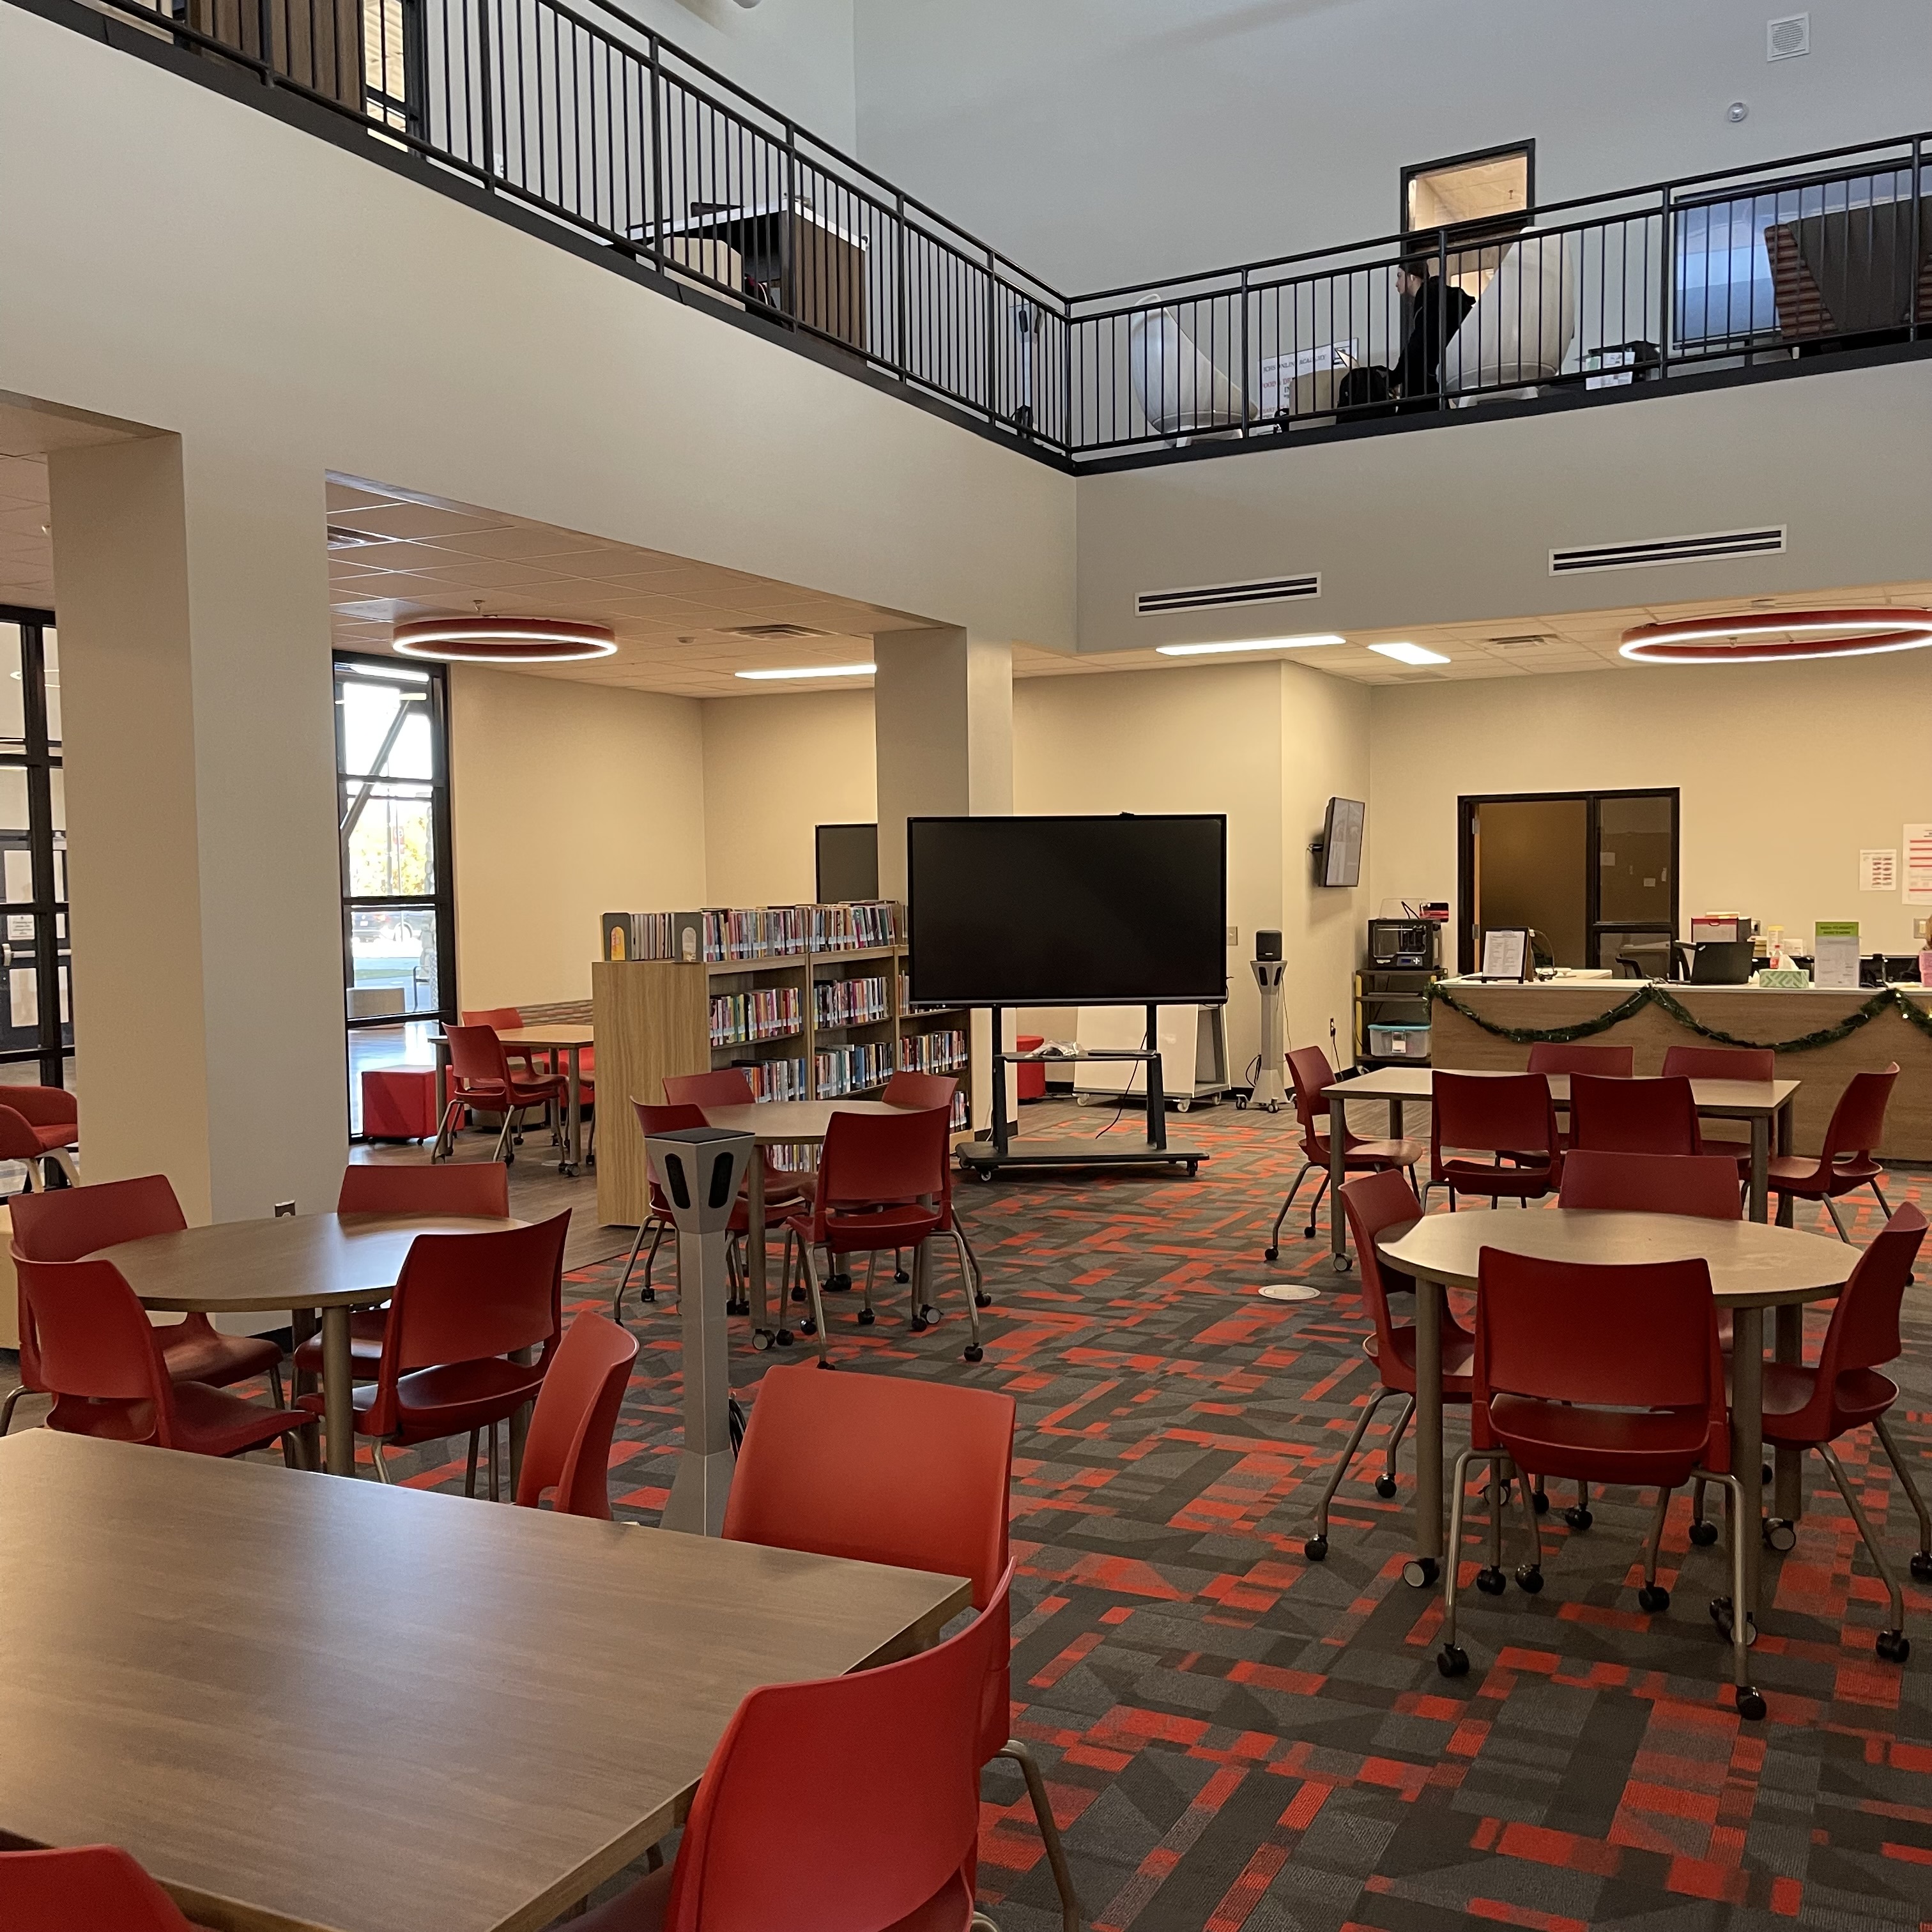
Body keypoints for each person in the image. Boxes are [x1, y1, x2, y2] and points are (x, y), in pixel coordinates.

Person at [1392, 250, 1475, 405]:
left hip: (1434, 376)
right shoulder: (1434, 295)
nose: (1397, 283)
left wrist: (1396, 375)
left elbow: (1418, 342)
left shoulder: (1427, 299)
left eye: (1399, 276)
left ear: (1412, 277)